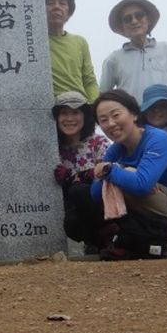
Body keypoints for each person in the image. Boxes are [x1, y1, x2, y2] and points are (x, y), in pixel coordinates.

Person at [91, 90, 167, 259]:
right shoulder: (116, 150)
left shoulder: (157, 139)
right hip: (157, 207)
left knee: (132, 184)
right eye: (103, 120)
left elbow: (141, 185)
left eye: (115, 115)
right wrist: (120, 173)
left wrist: (112, 171)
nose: (111, 123)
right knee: (119, 184)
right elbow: (95, 193)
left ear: (134, 114)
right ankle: (140, 243)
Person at [100, 0, 167, 107]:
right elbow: (104, 97)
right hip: (133, 122)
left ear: (148, 19)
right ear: (122, 26)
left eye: (139, 15)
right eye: (127, 19)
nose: (134, 21)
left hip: (165, 118)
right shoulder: (114, 59)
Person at [52, 92, 109, 253]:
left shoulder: (99, 142)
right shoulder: (54, 147)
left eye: (76, 112)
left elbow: (106, 172)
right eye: (64, 113)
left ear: (85, 116)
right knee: (72, 222)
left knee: (80, 191)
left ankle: (105, 239)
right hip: (71, 209)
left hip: (100, 202)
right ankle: (93, 241)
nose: (69, 118)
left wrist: (71, 176)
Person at [44, 0, 99, 101]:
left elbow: (89, 80)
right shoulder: (34, 43)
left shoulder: (80, 42)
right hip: (52, 108)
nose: (56, 7)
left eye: (62, 3)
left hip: (80, 106)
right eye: (50, 3)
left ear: (69, 12)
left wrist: (93, 107)